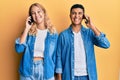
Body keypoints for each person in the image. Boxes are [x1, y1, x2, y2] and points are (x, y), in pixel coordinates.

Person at [55, 4, 110, 80]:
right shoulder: (63, 35)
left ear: (83, 16)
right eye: (74, 13)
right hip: (69, 76)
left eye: (80, 13)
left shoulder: (89, 33)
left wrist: (92, 27)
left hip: (88, 76)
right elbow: (58, 58)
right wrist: (59, 77)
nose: (76, 16)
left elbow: (106, 44)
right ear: (70, 15)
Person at [15, 3, 58, 80]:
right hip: (27, 70)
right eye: (33, 13)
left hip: (46, 70)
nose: (36, 15)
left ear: (44, 13)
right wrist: (27, 28)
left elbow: (55, 56)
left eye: (39, 11)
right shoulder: (28, 32)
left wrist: (55, 74)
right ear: (31, 17)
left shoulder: (53, 34)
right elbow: (19, 49)